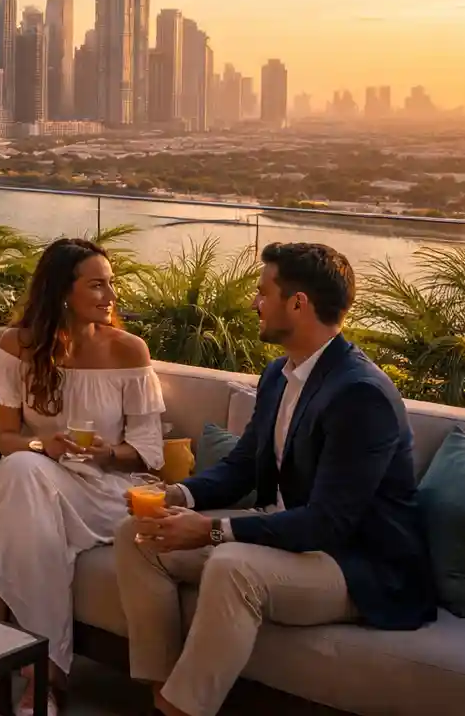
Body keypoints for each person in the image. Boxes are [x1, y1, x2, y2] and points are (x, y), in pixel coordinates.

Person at [115, 242, 434, 716]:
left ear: (298, 303)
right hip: (288, 535)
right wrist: (177, 494)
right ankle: (163, 697)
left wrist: (212, 530)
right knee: (139, 535)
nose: (254, 302)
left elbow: (328, 523)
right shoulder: (279, 375)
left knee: (233, 566)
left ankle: (184, 710)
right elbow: (243, 464)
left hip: (354, 562)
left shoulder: (360, 394)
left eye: (264, 292)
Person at [0, 238, 163, 716]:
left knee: (6, 506)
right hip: (34, 477)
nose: (111, 296)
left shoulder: (129, 350)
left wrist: (109, 452)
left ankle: (11, 649)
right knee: (22, 473)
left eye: (111, 284)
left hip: (102, 490)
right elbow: (6, 438)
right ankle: (44, 672)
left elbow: (148, 452)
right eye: (97, 285)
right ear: (63, 291)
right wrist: (41, 445)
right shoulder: (17, 347)